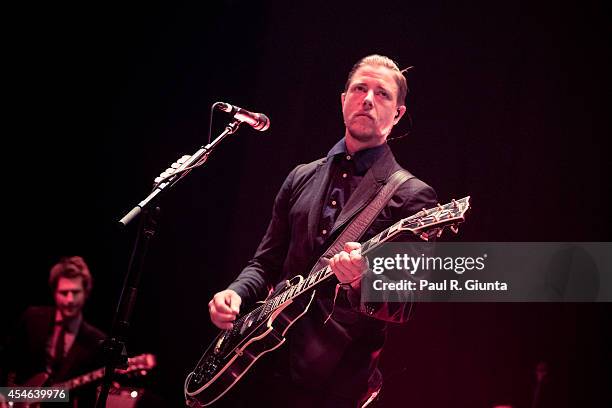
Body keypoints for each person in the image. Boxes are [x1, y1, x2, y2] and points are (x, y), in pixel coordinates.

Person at [208, 54, 438, 407]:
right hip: (261, 367)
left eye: (382, 94)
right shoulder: (301, 176)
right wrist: (236, 293)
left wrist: (362, 281)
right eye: (359, 89)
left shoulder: (411, 195)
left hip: (334, 382)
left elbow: (404, 303)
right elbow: (265, 263)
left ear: (398, 113)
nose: (368, 99)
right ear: (343, 98)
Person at [2, 256, 106, 407]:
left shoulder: (95, 340)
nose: (70, 299)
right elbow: (6, 359)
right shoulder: (33, 318)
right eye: (64, 293)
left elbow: (87, 397)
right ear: (54, 293)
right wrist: (3, 396)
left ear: (86, 293)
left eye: (75, 292)